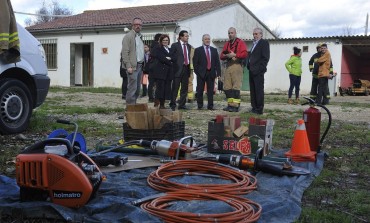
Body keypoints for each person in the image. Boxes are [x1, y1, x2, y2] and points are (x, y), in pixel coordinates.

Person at [220, 27, 247, 112]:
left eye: (232, 33)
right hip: (228, 66)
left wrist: (235, 54)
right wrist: (226, 56)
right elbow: (221, 56)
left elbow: (245, 54)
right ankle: (230, 105)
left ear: (235, 33)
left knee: (236, 86)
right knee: (227, 87)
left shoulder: (240, 42)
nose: (230, 34)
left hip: (237, 65)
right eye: (229, 33)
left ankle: (235, 106)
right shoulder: (227, 44)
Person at [193, 34, 221, 110]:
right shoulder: (198, 50)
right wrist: (197, 72)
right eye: (206, 39)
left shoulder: (214, 50)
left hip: (211, 73)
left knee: (210, 91)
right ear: (203, 40)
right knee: (200, 90)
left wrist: (218, 73)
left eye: (208, 39)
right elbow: (195, 63)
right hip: (201, 73)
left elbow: (217, 62)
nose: (207, 40)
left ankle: (210, 106)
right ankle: (200, 105)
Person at [121, 17, 145, 106]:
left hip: (139, 66)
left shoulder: (139, 36)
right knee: (132, 88)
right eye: (136, 24)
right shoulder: (128, 36)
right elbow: (124, 52)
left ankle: (134, 105)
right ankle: (130, 108)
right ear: (132, 25)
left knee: (138, 88)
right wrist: (128, 66)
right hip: (132, 67)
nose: (138, 26)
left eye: (139, 25)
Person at [247, 27, 270, 115]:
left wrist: (260, 69)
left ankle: (259, 108)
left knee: (259, 90)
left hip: (258, 71)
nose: (254, 35)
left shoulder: (264, 43)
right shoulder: (254, 44)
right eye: (253, 34)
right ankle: (254, 107)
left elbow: (265, 58)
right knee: (253, 90)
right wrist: (249, 65)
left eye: (256, 34)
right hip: (251, 70)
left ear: (261, 34)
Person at [150, 34, 174, 108]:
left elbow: (174, 57)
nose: (165, 42)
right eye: (163, 40)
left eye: (166, 40)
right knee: (160, 88)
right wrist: (168, 60)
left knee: (166, 89)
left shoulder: (169, 49)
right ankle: (159, 103)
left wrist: (169, 59)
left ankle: (162, 104)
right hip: (160, 72)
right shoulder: (158, 48)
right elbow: (161, 57)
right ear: (160, 41)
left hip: (168, 72)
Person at [169, 30, 192, 111]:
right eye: (186, 36)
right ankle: (172, 104)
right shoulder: (175, 45)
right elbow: (171, 56)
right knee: (175, 87)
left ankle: (182, 104)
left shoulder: (189, 46)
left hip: (186, 69)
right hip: (177, 69)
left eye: (187, 36)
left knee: (184, 88)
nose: (187, 37)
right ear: (181, 37)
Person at [147, 33, 162, 103]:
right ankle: (154, 97)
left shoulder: (152, 46)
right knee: (156, 83)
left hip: (151, 67)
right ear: (159, 39)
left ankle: (151, 97)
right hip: (156, 67)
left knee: (151, 83)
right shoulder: (157, 46)